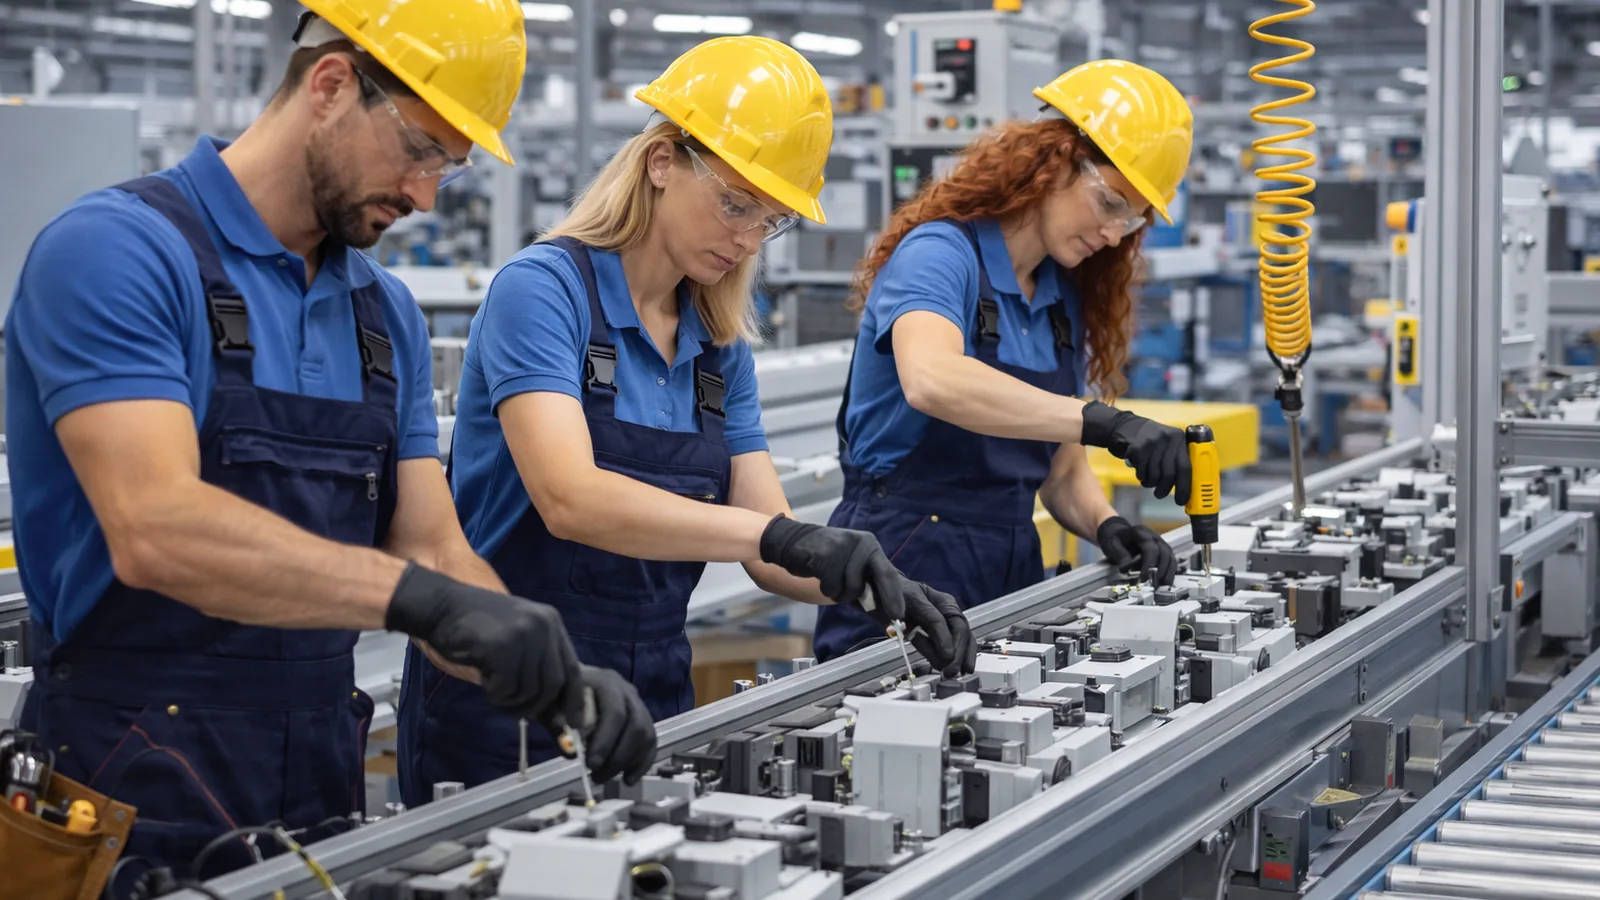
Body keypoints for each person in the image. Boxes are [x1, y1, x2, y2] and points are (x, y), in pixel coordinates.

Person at [5, 0, 655, 887]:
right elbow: (155, 525)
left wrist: (554, 674)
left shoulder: (383, 317)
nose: (426, 195)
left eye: (450, 170)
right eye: (423, 150)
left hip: (319, 778)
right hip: (124, 784)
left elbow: (429, 544)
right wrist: (424, 601)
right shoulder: (117, 252)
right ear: (332, 84)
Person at [398, 36, 976, 805]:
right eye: (736, 203)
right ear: (662, 160)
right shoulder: (543, 292)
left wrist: (878, 587)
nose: (744, 237)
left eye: (767, 220)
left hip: (651, 697)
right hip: (506, 701)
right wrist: (777, 534)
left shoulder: (717, 347)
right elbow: (570, 498)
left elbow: (770, 551)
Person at [813, 60, 1197, 663]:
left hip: (1013, 562)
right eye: (1109, 202)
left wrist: (1107, 526)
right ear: (1054, 161)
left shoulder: (1060, 297)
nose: (1115, 233)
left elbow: (1061, 474)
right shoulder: (940, 254)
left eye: (1133, 220)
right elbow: (932, 380)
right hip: (907, 560)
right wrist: (1105, 422)